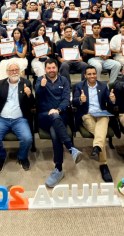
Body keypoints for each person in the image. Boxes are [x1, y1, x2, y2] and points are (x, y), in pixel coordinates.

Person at [35, 59, 84, 187]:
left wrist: (58, 110)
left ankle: (59, 169)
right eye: (49, 68)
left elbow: (66, 99)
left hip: (60, 115)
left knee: (55, 134)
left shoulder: (64, 80)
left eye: (53, 67)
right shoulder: (40, 80)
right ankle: (71, 149)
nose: (51, 70)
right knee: (54, 118)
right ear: (45, 69)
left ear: (57, 68)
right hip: (44, 116)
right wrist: (42, 87)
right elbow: (37, 97)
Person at [0, 63, 34, 173]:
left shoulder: (26, 83)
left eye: (16, 70)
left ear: (20, 71)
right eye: (11, 70)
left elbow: (31, 105)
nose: (14, 72)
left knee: (27, 138)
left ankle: (22, 157)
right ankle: (1, 157)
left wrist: (29, 95)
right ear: (7, 72)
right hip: (2, 119)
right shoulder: (0, 84)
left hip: (19, 119)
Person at [72, 66, 114, 182]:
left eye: (94, 73)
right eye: (89, 74)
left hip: (102, 113)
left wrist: (112, 99)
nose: (92, 76)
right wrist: (80, 100)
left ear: (97, 74)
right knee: (100, 135)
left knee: (100, 131)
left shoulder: (103, 85)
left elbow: (109, 100)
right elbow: (74, 102)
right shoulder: (79, 85)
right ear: (85, 75)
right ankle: (103, 164)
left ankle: (97, 151)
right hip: (87, 114)